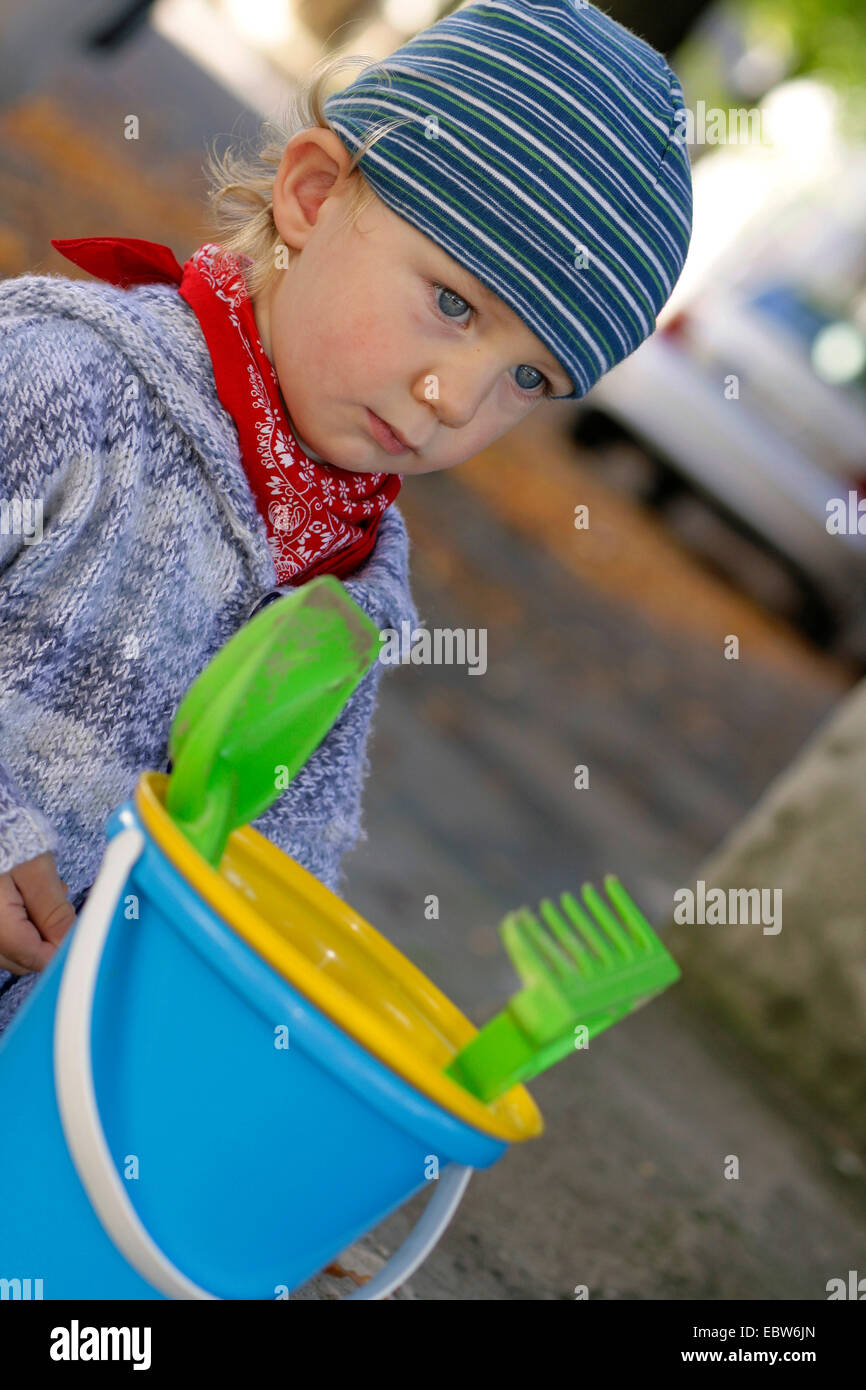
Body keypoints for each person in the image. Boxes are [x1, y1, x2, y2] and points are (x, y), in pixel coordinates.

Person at [0, 0, 693, 1032]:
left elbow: (276, 868)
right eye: (453, 304)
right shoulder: (75, 374)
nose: (457, 399)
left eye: (525, 378)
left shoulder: (344, 590)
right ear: (314, 196)